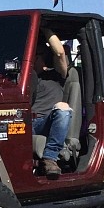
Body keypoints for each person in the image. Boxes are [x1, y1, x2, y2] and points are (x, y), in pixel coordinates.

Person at [31, 28, 72, 179]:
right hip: (23, 121)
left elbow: (60, 53)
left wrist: (44, 28)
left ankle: (50, 157)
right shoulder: (24, 77)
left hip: (46, 122)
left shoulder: (57, 75)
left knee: (63, 108)